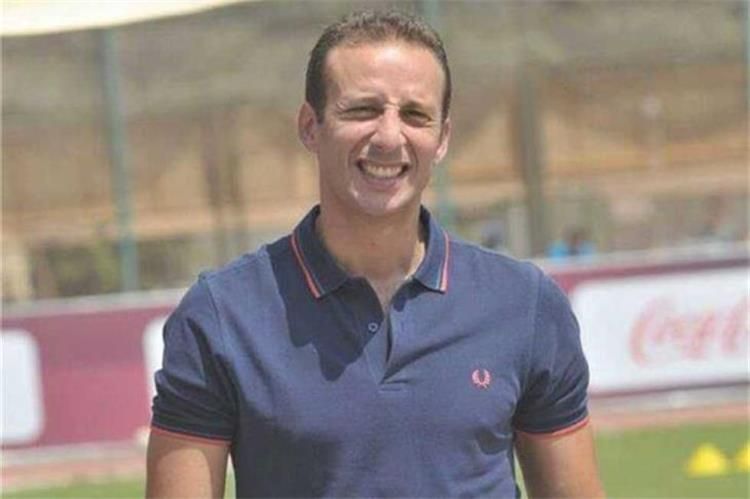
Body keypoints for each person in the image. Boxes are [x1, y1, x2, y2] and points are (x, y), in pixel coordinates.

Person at [146, 10, 604, 498]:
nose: (389, 137)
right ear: (310, 126)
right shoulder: (221, 315)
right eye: (362, 110)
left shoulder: (526, 304)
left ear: (442, 138)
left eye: (415, 115)